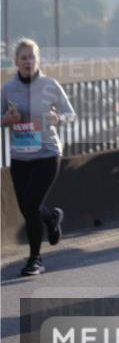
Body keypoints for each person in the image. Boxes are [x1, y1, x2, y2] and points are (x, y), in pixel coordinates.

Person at [2, 38, 74, 276]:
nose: (28, 62)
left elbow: (70, 114)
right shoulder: (8, 89)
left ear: (38, 60)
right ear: (16, 62)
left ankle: (35, 259)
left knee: (31, 204)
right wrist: (6, 120)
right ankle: (52, 218)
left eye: (32, 57)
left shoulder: (50, 84)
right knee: (27, 206)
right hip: (20, 156)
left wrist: (58, 119)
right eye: (23, 57)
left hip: (47, 153)